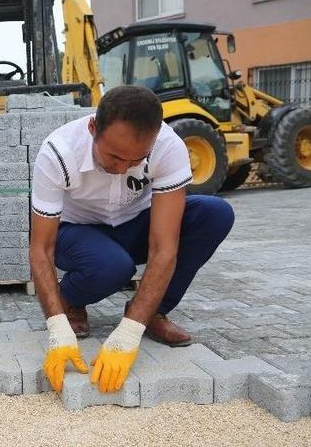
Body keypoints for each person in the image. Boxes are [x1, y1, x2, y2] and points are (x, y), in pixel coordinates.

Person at [29, 85, 234, 394]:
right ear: (93, 128)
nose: (122, 168)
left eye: (136, 159)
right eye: (113, 156)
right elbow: (41, 248)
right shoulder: (59, 151)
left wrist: (129, 332)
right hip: (75, 231)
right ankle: (69, 299)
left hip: (135, 224)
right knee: (113, 267)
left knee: (214, 214)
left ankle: (152, 312)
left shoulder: (168, 146)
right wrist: (56, 328)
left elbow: (164, 248)